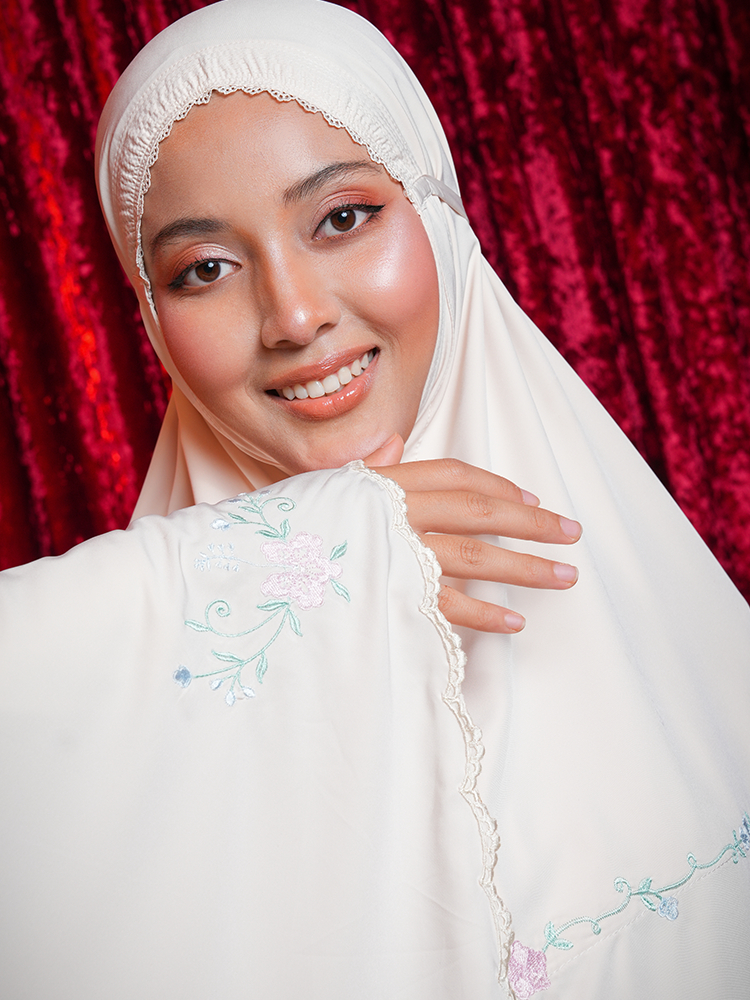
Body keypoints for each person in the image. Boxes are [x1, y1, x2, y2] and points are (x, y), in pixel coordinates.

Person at [1, 2, 748, 998]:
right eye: (205, 269)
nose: (294, 315)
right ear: (151, 318)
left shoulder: (661, 624)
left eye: (343, 218)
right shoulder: (123, 700)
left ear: (438, 219)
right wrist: (285, 568)